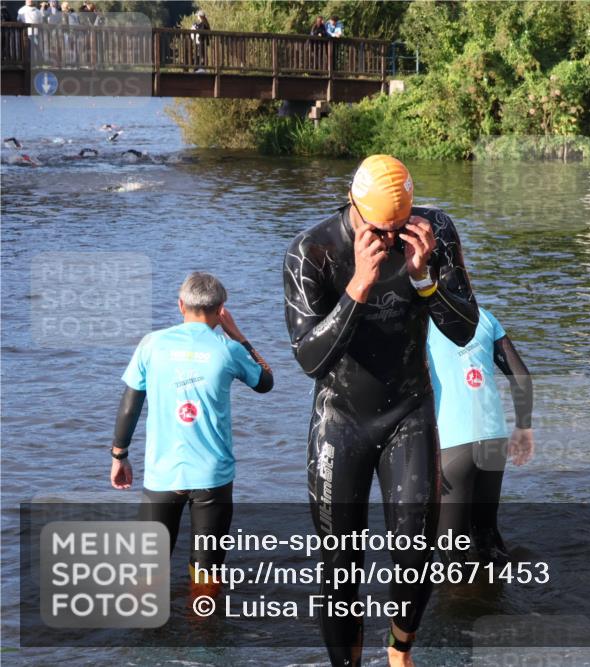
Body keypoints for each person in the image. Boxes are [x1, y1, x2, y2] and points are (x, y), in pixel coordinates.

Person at [283, 155, 478, 667]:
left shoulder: (432, 231)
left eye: (398, 228)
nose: (391, 240)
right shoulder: (313, 252)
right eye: (379, 230)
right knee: (340, 565)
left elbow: (464, 330)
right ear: (354, 208)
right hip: (340, 420)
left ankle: (398, 650)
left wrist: (423, 281)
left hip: (408, 411)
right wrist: (359, 287)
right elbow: (309, 358)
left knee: (416, 551)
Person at [110, 272, 273, 592]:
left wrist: (120, 455)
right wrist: (238, 335)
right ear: (220, 310)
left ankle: (150, 633)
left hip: (163, 474)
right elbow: (266, 382)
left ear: (180, 305)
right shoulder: (230, 350)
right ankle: (203, 636)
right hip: (212, 476)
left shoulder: (152, 344)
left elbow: (130, 406)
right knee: (206, 571)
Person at [427, 306, 534, 566]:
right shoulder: (483, 315)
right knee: (487, 536)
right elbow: (520, 377)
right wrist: (523, 427)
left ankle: (465, 602)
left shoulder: (418, 320)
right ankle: (506, 596)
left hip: (451, 443)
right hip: (493, 439)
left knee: (452, 552)